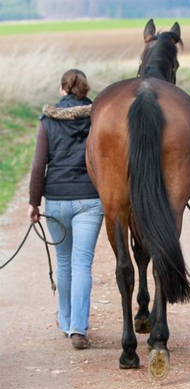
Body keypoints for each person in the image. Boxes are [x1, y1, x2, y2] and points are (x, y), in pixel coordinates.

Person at [28, 68, 103, 350]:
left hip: (56, 200)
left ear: (62, 90)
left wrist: (34, 203)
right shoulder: (98, 119)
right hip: (89, 199)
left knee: (63, 261)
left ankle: (66, 319)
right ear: (85, 92)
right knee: (81, 263)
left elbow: (39, 166)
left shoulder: (47, 121)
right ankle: (77, 330)